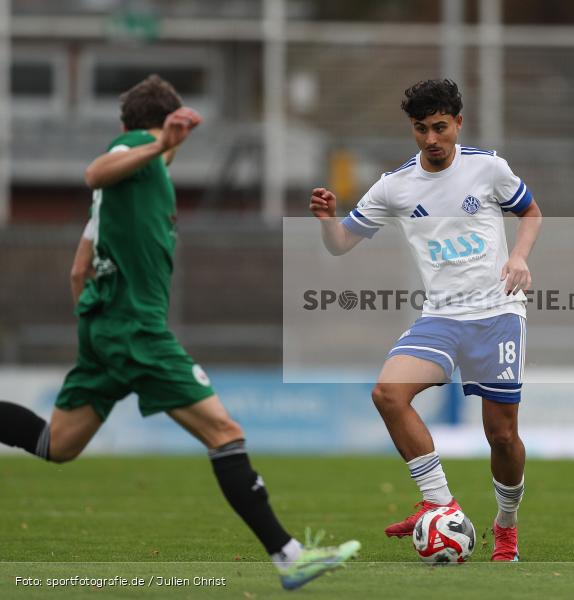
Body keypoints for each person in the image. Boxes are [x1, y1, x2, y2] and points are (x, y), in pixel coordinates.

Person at [0, 75, 359, 589]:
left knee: (56, 443)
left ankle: (288, 555)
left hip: (106, 331)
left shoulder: (131, 186)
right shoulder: (133, 150)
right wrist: (161, 143)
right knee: (225, 433)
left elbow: (79, 271)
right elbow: (94, 171)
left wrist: (99, 329)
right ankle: (289, 556)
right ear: (150, 129)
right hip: (137, 332)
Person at [309, 79, 542, 561]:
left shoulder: (488, 168)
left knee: (501, 435)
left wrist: (519, 256)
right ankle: (441, 503)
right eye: (421, 129)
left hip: (497, 312)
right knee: (388, 393)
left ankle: (506, 527)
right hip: (440, 316)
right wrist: (329, 220)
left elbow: (531, 213)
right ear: (412, 130)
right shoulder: (395, 186)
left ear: (458, 123)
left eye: (440, 127)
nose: (432, 139)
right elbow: (341, 243)